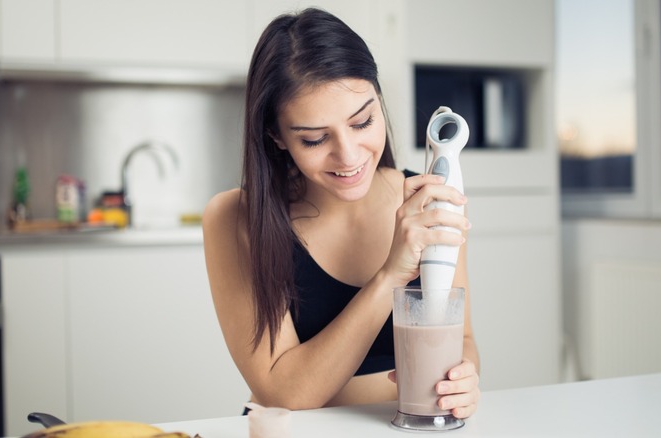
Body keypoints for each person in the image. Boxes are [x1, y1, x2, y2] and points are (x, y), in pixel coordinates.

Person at [202, 7, 480, 419]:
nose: (349, 156)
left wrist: (464, 380)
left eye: (363, 121)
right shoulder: (237, 217)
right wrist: (391, 275)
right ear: (276, 136)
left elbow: (464, 339)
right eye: (315, 139)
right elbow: (284, 392)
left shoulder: (426, 200)